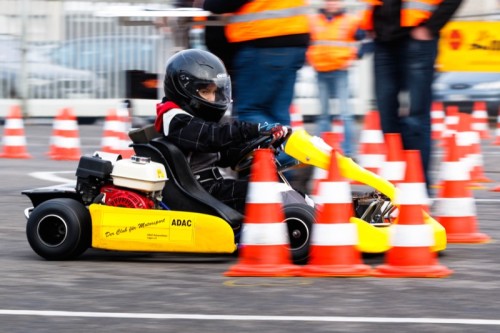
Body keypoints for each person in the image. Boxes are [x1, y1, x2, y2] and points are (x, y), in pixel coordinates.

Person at [154, 49, 303, 214]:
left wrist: (259, 147)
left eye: (213, 92)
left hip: (210, 186)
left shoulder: (192, 120)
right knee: (265, 193)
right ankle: (297, 223)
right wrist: (253, 129)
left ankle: (305, 212)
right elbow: (212, 137)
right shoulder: (177, 121)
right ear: (183, 91)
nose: (212, 98)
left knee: (276, 190)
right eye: (205, 92)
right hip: (200, 193)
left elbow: (223, 155)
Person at [360, 0, 463, 190]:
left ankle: (418, 185)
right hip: (383, 41)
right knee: (386, 116)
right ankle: (398, 179)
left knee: (416, 116)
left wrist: (431, 27)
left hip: (417, 38)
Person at [202, 0, 310, 166]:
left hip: (264, 39)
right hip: (294, 37)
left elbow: (217, 5)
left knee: (249, 111)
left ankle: (284, 156)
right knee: (277, 112)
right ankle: (283, 166)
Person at [307, 0, 365, 157]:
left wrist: (352, 58)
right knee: (324, 115)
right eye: (329, 1)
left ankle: (348, 152)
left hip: (340, 70)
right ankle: (319, 152)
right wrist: (311, 59)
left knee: (345, 114)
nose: (332, 3)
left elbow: (363, 41)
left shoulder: (351, 20)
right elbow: (308, 41)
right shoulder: (313, 20)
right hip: (321, 70)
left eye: (335, 1)